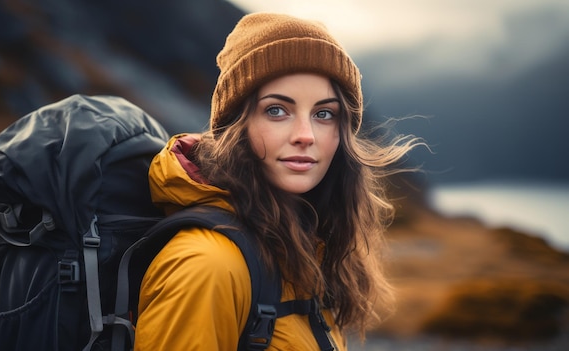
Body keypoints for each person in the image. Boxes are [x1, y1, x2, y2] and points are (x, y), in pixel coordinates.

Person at [134, 12, 422, 350]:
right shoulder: (208, 266)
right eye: (276, 110)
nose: (305, 135)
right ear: (235, 127)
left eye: (324, 114)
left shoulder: (307, 248)